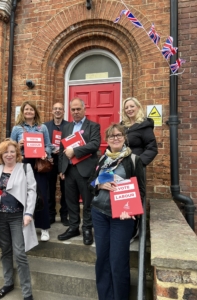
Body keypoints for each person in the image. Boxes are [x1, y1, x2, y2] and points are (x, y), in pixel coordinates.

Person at [88, 123, 145, 300]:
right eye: (112, 136)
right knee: (102, 259)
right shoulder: (102, 159)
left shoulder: (134, 160)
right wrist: (98, 184)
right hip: (99, 213)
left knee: (118, 261)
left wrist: (133, 212)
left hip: (122, 217)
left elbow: (141, 191)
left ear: (124, 137)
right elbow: (91, 183)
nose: (115, 138)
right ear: (107, 139)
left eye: (119, 135)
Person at [0, 139, 37, 300]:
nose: (9, 155)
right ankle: (8, 283)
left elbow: (31, 191)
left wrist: (29, 213)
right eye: (5, 152)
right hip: (0, 216)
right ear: (1, 155)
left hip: (18, 216)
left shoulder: (25, 168)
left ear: (17, 154)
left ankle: (27, 293)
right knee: (6, 251)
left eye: (12, 152)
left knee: (20, 253)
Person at [58, 98, 101, 245]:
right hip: (69, 169)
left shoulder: (93, 126)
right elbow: (62, 150)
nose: (75, 112)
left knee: (88, 201)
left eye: (78, 109)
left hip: (86, 169)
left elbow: (95, 144)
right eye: (73, 110)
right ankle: (73, 227)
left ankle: (87, 228)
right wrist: (61, 169)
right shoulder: (66, 128)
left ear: (84, 109)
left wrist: (75, 151)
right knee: (71, 201)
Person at [11, 101, 53, 242]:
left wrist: (45, 153)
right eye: (26, 109)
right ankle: (25, 226)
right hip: (23, 163)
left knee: (41, 194)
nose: (29, 111)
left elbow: (48, 145)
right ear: (23, 112)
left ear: (35, 112)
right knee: (23, 194)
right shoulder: (17, 129)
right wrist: (18, 145)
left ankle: (44, 228)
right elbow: (10, 148)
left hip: (38, 164)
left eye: (31, 109)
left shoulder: (43, 128)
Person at [122, 97, 158, 242]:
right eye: (126, 107)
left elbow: (152, 148)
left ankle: (133, 229)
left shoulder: (144, 126)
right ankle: (123, 226)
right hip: (122, 167)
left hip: (135, 168)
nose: (129, 109)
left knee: (134, 198)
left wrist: (138, 163)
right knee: (123, 197)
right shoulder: (122, 126)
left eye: (132, 106)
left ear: (138, 107)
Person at [44, 102, 69, 226]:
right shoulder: (45, 126)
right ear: (52, 111)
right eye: (55, 109)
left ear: (63, 111)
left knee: (66, 189)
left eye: (60, 109)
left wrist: (63, 148)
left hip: (65, 160)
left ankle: (64, 215)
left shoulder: (69, 126)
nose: (58, 111)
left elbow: (73, 143)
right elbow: (42, 143)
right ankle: (51, 214)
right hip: (50, 161)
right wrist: (49, 153)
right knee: (50, 189)